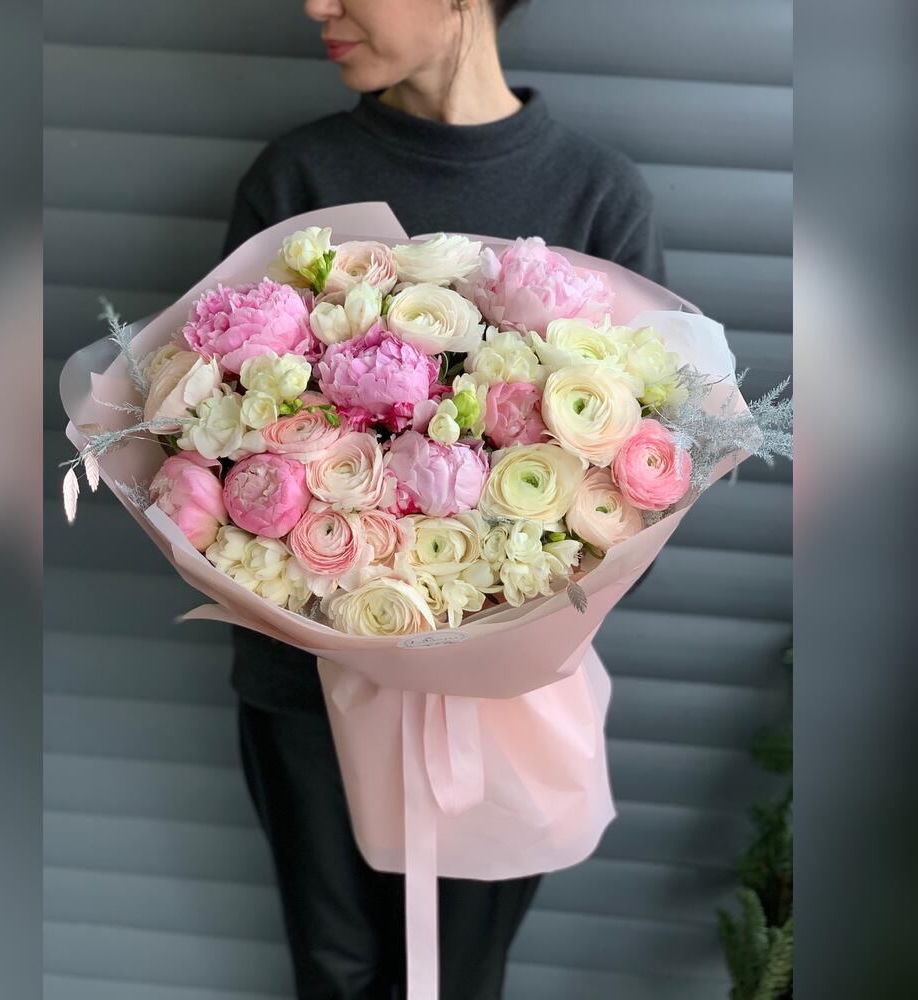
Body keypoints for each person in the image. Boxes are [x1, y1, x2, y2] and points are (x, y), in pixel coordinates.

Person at [222, 2, 665, 997]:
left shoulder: (596, 193)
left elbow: (645, 476)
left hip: (500, 700)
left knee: (457, 982)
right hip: (305, 687)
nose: (316, 7)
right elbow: (214, 437)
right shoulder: (297, 181)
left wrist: (502, 610)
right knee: (334, 973)